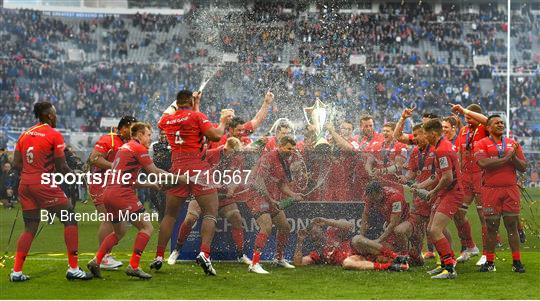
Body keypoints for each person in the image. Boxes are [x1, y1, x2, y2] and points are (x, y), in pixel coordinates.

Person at [151, 90, 232, 276]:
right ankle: (205, 253)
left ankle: (158, 256)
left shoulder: (166, 121)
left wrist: (192, 101)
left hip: (177, 169)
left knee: (169, 215)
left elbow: (165, 115)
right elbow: (216, 136)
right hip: (198, 170)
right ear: (190, 101)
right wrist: (224, 122)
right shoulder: (196, 116)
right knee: (210, 213)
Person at [10, 101, 93, 282]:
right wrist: (76, 177)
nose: (56, 116)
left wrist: (32, 169)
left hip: (25, 184)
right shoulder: (54, 134)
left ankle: (16, 272)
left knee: (30, 227)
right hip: (43, 183)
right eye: (54, 113)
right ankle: (73, 268)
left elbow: (16, 163)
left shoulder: (25, 134)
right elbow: (62, 166)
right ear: (49, 115)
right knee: (69, 217)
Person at [87, 122, 179, 279]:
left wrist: (151, 184)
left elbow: (131, 180)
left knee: (119, 231)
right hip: (122, 194)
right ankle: (134, 266)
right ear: (139, 135)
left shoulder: (124, 148)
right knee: (147, 227)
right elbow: (155, 171)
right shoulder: (139, 149)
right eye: (149, 135)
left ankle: (96, 261)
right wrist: (179, 178)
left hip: (109, 193)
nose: (151, 138)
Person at [167, 137, 252, 265]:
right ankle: (177, 250)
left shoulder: (237, 158)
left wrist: (232, 189)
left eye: (236, 153)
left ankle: (241, 254)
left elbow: (237, 177)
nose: (234, 155)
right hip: (204, 193)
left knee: (236, 218)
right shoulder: (210, 153)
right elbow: (195, 167)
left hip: (223, 196)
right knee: (190, 218)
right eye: (232, 152)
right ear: (225, 148)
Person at [474, 115, 527, 273]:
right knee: (491, 227)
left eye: (502, 122)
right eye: (496, 123)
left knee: (511, 226)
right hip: (491, 190)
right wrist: (506, 158)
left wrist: (513, 159)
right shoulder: (481, 143)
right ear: (488, 128)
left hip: (510, 189)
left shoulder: (513, 144)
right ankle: (490, 263)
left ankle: (516, 262)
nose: (500, 124)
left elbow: (523, 166)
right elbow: (484, 164)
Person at [244, 136, 303, 274]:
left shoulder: (285, 161)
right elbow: (259, 181)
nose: (291, 151)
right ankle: (254, 264)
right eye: (289, 148)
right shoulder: (268, 157)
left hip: (269, 198)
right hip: (256, 196)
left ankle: (278, 258)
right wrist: (271, 200)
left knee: (285, 227)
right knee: (266, 226)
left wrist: (293, 195)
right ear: (280, 146)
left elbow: (281, 184)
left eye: (293, 149)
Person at [86, 115, 137, 270]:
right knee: (109, 219)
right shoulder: (110, 139)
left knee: (121, 226)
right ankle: (102, 258)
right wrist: (115, 167)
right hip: (100, 183)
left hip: (114, 186)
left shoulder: (130, 143)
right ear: (123, 128)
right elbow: (93, 158)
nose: (134, 131)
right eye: (132, 128)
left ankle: (103, 255)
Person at [422, 119, 463, 279]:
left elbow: (447, 177)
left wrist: (432, 192)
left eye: (426, 133)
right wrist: (422, 186)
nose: (425, 137)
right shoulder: (441, 146)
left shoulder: (442, 149)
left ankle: (450, 269)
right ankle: (447, 263)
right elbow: (440, 175)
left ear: (433, 133)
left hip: (452, 192)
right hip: (447, 192)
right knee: (431, 229)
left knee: (435, 230)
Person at [394, 124, 435, 266]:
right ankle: (417, 255)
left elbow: (438, 176)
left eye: (417, 135)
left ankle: (448, 259)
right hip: (420, 195)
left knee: (436, 228)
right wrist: (405, 179)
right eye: (414, 135)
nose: (414, 138)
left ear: (426, 134)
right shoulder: (416, 151)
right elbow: (411, 173)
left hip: (436, 194)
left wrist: (422, 186)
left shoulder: (436, 149)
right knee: (417, 225)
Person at [450, 104, 487, 264]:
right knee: (458, 213)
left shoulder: (485, 128)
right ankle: (468, 247)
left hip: (480, 175)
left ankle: (487, 254)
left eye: (470, 117)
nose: (467, 119)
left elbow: (486, 120)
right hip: (466, 177)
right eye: (466, 118)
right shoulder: (464, 131)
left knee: (483, 215)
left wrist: (464, 110)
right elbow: (458, 152)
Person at [208, 91, 274, 149]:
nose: (231, 118)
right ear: (221, 119)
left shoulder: (240, 128)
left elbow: (257, 119)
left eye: (232, 116)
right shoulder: (214, 131)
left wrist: (266, 103)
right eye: (228, 116)